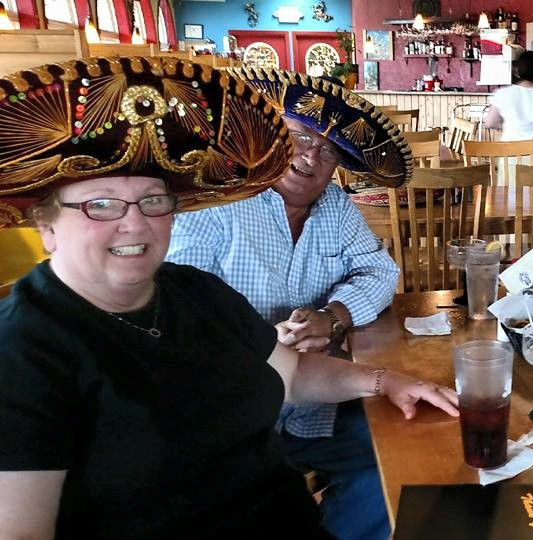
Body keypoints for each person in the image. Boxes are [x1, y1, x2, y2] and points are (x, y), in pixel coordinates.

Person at [0, 57, 457, 538]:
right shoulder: (21, 353)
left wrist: (387, 380)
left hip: (288, 489)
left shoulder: (192, 290)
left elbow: (293, 372)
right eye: (101, 204)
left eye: (153, 200)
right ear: (46, 225)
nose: (134, 223)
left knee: (429, 456)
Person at [166, 68, 409, 540]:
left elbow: (381, 272)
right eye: (300, 136)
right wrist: (256, 342)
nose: (311, 155)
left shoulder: (335, 206)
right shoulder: (221, 200)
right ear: (272, 138)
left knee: (404, 458)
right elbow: (181, 304)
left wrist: (334, 318)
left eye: (329, 149)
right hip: (231, 422)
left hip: (315, 406)